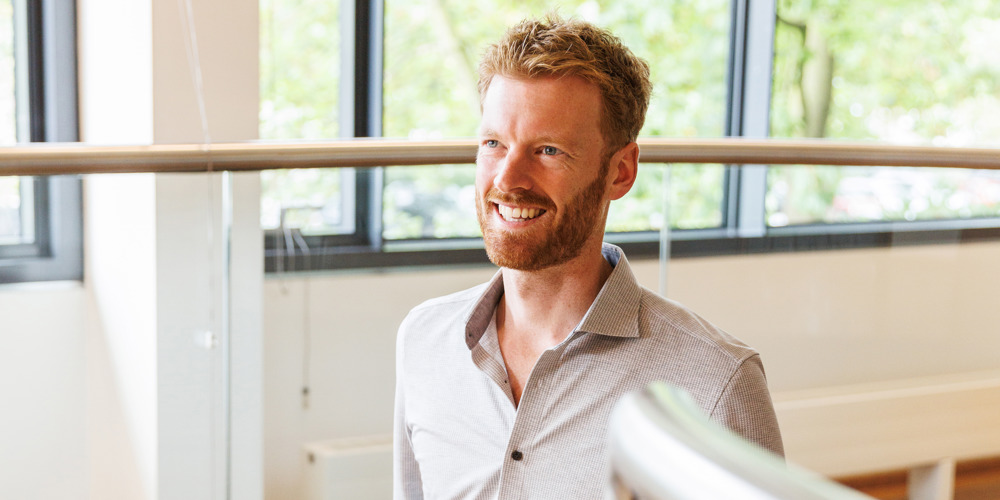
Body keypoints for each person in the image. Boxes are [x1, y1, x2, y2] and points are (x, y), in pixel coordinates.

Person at [393, 15, 783, 499]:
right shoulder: (424, 341)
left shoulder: (716, 384)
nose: (508, 178)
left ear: (621, 172)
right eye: (494, 143)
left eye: (548, 150)